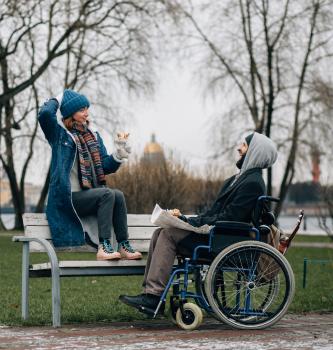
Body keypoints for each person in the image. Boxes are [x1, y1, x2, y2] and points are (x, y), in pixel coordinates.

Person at [119, 132, 278, 314]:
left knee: (168, 235)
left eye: (244, 145)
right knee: (160, 232)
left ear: (255, 152)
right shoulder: (238, 180)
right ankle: (150, 294)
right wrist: (186, 220)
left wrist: (193, 223)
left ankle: (153, 296)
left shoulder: (253, 183)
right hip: (218, 235)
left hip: (224, 240)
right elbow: (214, 213)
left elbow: (231, 218)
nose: (239, 148)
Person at [38, 89, 142, 260]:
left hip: (88, 195)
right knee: (107, 194)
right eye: (81, 109)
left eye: (87, 108)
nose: (86, 113)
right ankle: (104, 247)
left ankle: (123, 244)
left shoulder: (93, 136)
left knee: (118, 195)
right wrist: (58, 99)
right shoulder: (59, 135)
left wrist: (118, 154)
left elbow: (105, 166)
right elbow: (45, 114)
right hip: (66, 198)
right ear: (70, 113)